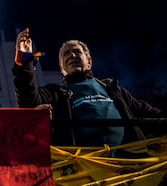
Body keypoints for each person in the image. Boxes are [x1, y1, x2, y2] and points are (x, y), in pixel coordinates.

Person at [12, 27, 167, 149]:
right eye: (66, 54)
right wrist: (24, 61)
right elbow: (28, 101)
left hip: (128, 166)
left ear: (89, 61)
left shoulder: (112, 89)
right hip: (83, 173)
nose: (72, 56)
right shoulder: (55, 92)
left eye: (77, 52)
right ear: (61, 68)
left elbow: (149, 114)